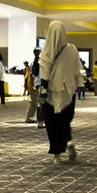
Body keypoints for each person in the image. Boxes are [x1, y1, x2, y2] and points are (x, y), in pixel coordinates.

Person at [39, 21, 84, 164]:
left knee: (52, 123)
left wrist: (43, 91)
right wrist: (77, 86)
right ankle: (68, 141)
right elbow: (78, 70)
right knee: (64, 121)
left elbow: (44, 74)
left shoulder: (46, 50)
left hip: (52, 93)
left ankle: (57, 155)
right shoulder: (72, 49)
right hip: (68, 92)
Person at [25, 47, 45, 128]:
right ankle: (40, 121)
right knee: (41, 103)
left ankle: (31, 118)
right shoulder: (41, 62)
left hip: (35, 84)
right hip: (41, 84)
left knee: (35, 102)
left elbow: (32, 75)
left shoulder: (33, 63)